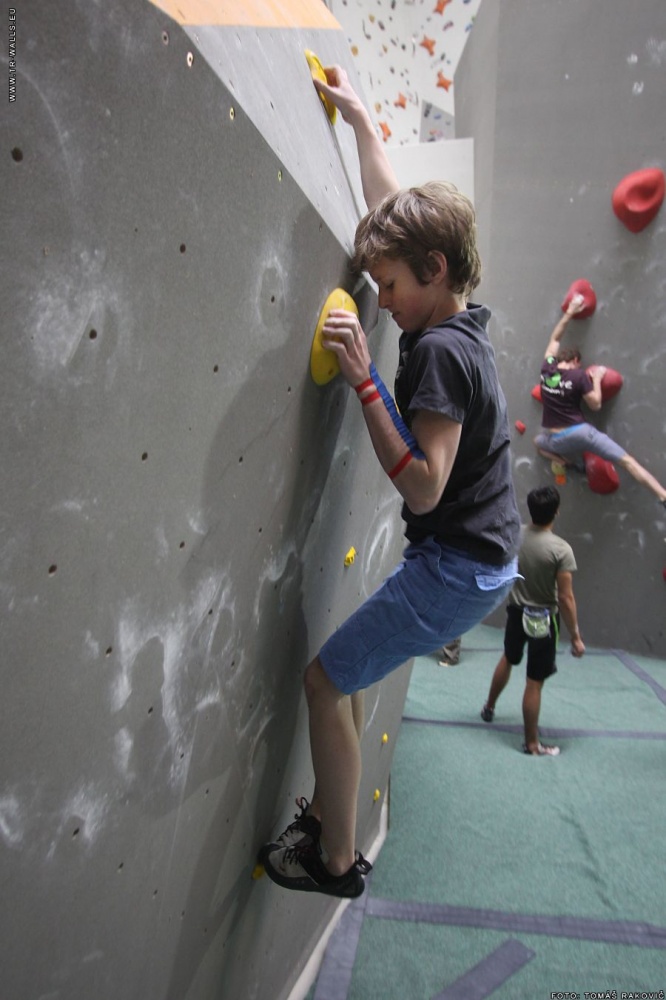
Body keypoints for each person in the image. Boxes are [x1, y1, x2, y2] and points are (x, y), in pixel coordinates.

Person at [259, 66, 521, 899]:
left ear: (435, 269)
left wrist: (366, 381)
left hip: (456, 566)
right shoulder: (453, 309)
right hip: (477, 561)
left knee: (322, 681)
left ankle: (334, 860)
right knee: (348, 676)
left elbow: (425, 489)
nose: (384, 299)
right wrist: (361, 121)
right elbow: (389, 205)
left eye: (392, 287)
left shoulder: (438, 354)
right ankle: (333, 817)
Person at [480, 485, 585, 756]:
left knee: (508, 658)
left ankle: (489, 707)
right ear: (556, 512)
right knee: (534, 683)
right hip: (544, 620)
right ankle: (531, 744)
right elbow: (566, 598)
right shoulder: (561, 550)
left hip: (516, 612)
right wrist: (575, 636)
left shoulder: (515, 534)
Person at [534, 295, 666, 507]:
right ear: (575, 361)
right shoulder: (579, 376)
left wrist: (570, 312)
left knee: (538, 444)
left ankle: (567, 463)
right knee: (627, 462)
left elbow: (555, 339)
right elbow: (595, 404)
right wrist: (595, 379)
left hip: (558, 440)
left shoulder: (547, 370)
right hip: (582, 433)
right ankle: (662, 495)